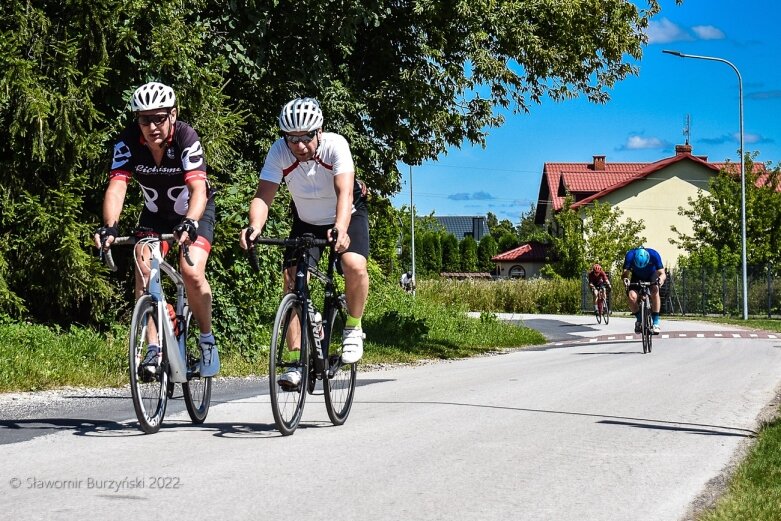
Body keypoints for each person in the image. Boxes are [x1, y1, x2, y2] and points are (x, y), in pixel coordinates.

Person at [239, 97, 369, 387]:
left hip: (346, 213)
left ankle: (353, 327)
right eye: (291, 138)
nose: (298, 145)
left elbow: (345, 192)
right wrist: (254, 226)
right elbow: (263, 196)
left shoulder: (337, 145)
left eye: (305, 137)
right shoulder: (279, 152)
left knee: (353, 264)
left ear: (319, 131)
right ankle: (297, 360)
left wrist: (340, 228)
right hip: (307, 219)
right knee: (293, 280)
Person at [94, 81, 220, 377]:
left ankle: (206, 339)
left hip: (195, 212)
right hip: (154, 215)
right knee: (143, 266)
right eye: (144, 119)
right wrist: (110, 227)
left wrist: (190, 222)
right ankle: (154, 347)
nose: (151, 126)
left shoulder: (186, 137)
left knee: (191, 272)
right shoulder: (127, 142)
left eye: (159, 118)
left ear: (173, 115)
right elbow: (117, 186)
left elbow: (198, 189)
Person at [622, 246, 666, 334]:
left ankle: (656, 322)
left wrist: (660, 280)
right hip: (636, 277)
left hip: (651, 275)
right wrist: (625, 279)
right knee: (632, 297)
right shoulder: (630, 256)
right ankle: (639, 319)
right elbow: (624, 274)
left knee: (655, 290)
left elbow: (662, 273)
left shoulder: (654, 255)